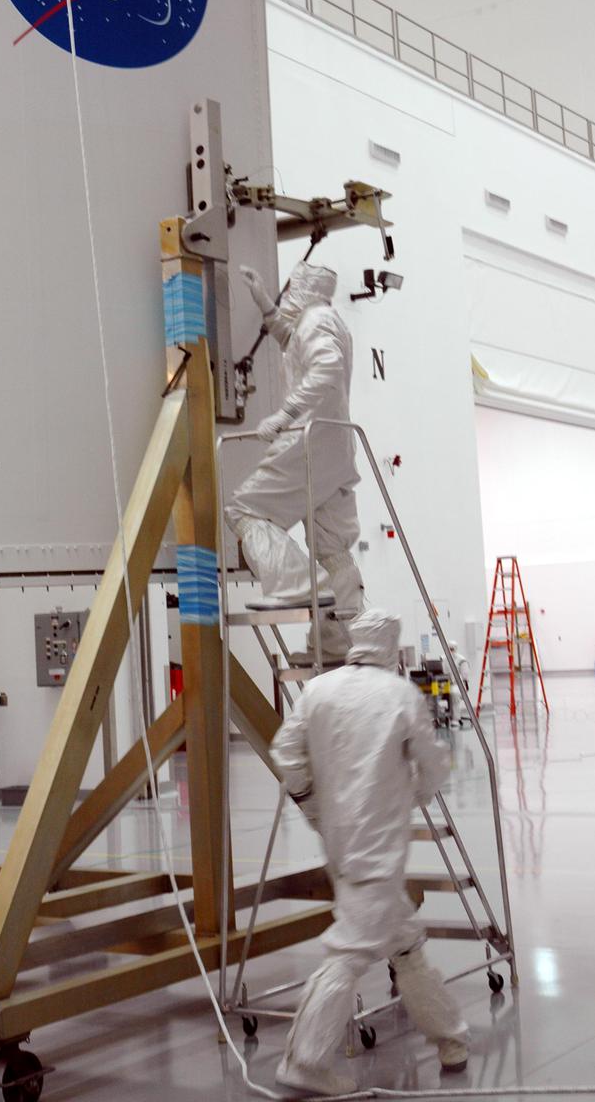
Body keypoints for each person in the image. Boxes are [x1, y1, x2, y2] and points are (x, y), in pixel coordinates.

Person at [270, 609, 469, 1095]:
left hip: (338, 841)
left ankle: (451, 1038)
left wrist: (313, 804)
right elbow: (434, 766)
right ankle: (306, 1062)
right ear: (391, 646)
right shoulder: (399, 694)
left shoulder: (318, 690)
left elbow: (285, 754)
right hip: (379, 848)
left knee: (406, 943)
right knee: (350, 953)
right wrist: (414, 794)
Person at [225, 262, 363, 661]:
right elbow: (294, 341)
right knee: (332, 546)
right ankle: (341, 641)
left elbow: (326, 369)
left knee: (244, 509)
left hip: (308, 443)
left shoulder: (317, 323)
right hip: (335, 448)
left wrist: (285, 416)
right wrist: (267, 308)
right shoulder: (323, 321)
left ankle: (299, 583)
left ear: (304, 289)